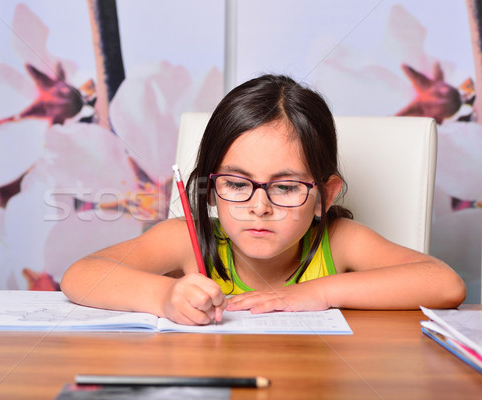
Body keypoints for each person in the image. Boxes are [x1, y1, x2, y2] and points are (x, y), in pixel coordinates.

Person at [61, 74, 466, 326]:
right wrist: (164, 298)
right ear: (208, 188)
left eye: (286, 188)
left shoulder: (339, 240)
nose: (259, 207)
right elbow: (81, 275)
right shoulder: (187, 239)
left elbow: (444, 284)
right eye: (237, 185)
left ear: (324, 195)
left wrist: (316, 293)